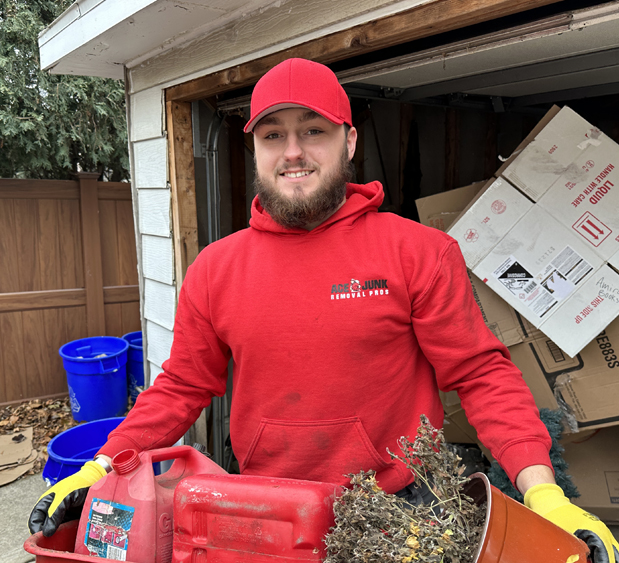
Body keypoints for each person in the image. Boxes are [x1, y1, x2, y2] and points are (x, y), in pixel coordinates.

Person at [29, 58, 618, 562]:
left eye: (313, 130)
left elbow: (481, 374)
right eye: (273, 135)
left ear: (350, 141)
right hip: (264, 509)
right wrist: (103, 465)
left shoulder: (418, 251)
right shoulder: (215, 269)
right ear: (253, 148)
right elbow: (181, 385)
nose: (293, 152)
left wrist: (544, 494)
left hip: (397, 512)